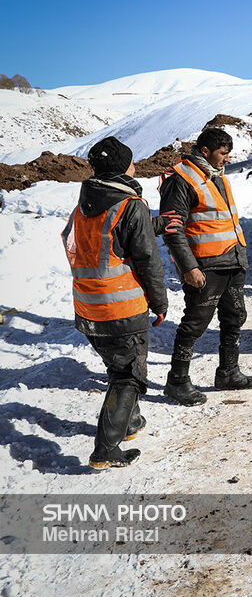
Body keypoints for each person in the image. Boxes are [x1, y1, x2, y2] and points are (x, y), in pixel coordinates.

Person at [61, 137, 168, 468]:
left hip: (87, 306)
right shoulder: (130, 205)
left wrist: (153, 226)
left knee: (118, 366)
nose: (135, 167)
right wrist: (160, 301)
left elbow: (91, 243)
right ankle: (106, 449)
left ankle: (130, 422)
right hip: (121, 307)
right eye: (132, 162)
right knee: (129, 377)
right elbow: (147, 259)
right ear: (124, 167)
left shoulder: (82, 207)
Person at [158, 128, 252, 406]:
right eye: (223, 154)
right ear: (205, 151)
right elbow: (172, 229)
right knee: (195, 324)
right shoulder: (182, 180)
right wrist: (189, 267)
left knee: (234, 317)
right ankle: (177, 381)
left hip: (232, 260)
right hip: (206, 266)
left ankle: (228, 372)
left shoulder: (215, 176)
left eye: (228, 154)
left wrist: (240, 257)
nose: (227, 159)